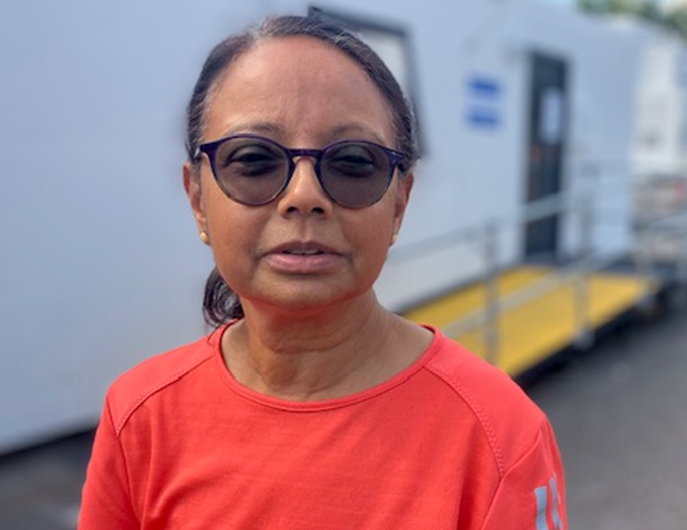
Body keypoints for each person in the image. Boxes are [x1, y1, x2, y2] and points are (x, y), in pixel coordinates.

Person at [79, 14, 567, 530]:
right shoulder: (140, 415)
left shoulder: (498, 436)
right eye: (253, 159)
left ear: (399, 203)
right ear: (197, 198)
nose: (304, 196)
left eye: (354, 162)